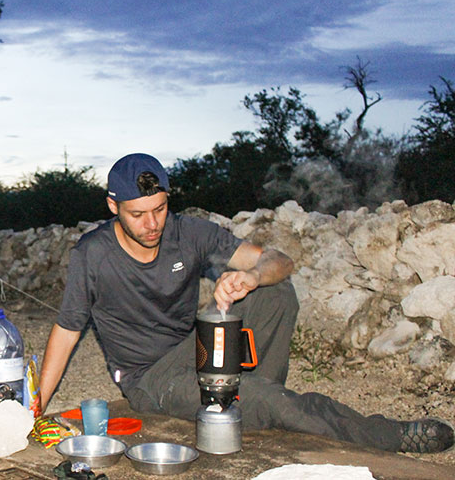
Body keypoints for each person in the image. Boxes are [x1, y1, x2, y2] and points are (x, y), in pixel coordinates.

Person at [38, 152, 454, 453]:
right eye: (137, 214)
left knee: (275, 290)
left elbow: (281, 261)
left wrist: (249, 277)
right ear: (114, 207)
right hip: (151, 380)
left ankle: (257, 398)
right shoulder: (92, 254)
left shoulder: (190, 233)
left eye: (160, 209)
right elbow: (67, 330)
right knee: (267, 402)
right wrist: (35, 406)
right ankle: (385, 434)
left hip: (194, 350)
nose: (152, 224)